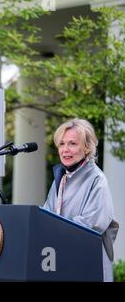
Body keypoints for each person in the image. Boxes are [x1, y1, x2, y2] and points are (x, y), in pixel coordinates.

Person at [43, 118, 119, 282]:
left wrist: (55, 231)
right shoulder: (61, 179)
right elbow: (46, 217)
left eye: (72, 143)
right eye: (62, 144)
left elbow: (92, 224)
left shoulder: (97, 179)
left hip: (88, 263)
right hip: (62, 261)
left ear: (87, 147)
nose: (65, 150)